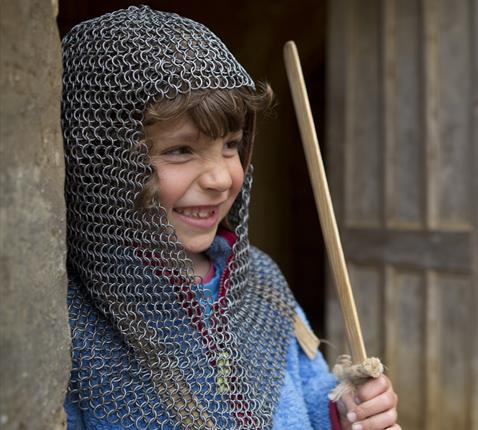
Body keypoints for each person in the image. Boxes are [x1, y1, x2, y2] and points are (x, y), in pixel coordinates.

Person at [61, 6, 398, 430]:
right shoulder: (73, 322)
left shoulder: (258, 281)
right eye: (180, 150)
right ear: (102, 163)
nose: (221, 177)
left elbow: (308, 394)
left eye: (231, 145)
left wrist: (347, 411)